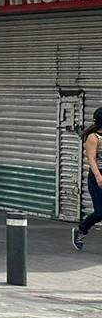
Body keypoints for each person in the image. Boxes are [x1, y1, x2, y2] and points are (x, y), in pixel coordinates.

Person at [73, 107, 102, 251]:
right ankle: (81, 229)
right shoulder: (93, 137)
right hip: (98, 177)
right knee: (100, 212)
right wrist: (98, 177)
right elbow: (91, 159)